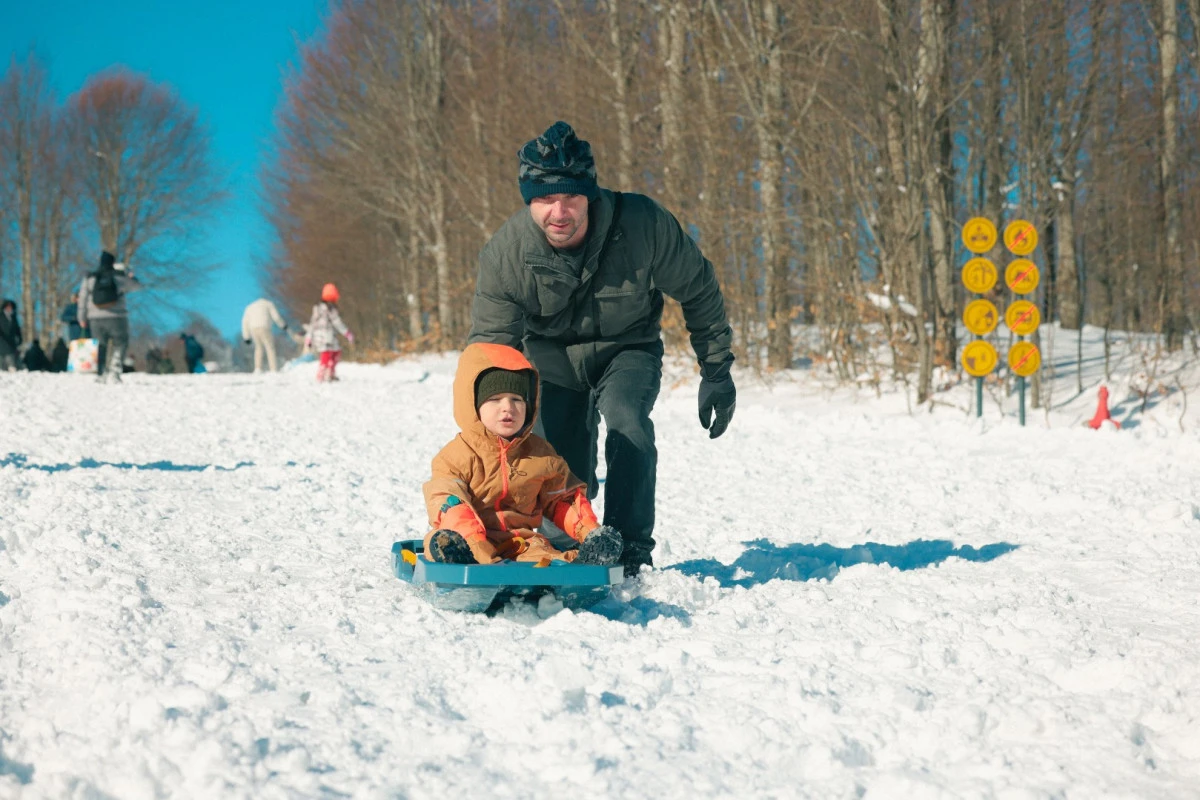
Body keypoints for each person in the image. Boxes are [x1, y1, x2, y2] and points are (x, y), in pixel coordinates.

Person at [468, 121, 737, 576]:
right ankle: (568, 542)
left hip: (626, 348)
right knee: (559, 461)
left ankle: (630, 550)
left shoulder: (642, 225)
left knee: (628, 424)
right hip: (551, 361)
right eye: (544, 199)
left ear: (589, 194)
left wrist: (716, 370)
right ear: (528, 200)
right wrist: (482, 434)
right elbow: (489, 353)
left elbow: (698, 288)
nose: (559, 211)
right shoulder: (506, 255)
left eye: (571, 197)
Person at [422, 342, 623, 566]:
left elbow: (562, 499)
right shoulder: (456, 456)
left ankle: (586, 565)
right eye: (495, 399)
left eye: (517, 399)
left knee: (548, 559)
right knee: (443, 542)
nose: (508, 408)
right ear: (473, 405)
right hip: (467, 539)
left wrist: (589, 532)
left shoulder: (540, 454)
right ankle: (454, 559)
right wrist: (473, 541)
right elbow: (448, 501)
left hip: (520, 542)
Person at [78, 251, 141, 383]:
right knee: (121, 342)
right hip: (116, 316)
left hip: (95, 318)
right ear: (113, 263)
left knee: (101, 345)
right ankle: (115, 370)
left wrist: (82, 318)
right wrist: (132, 277)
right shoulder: (118, 276)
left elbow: (82, 298)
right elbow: (136, 286)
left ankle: (101, 373)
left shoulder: (90, 277)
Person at [305, 283, 354, 382]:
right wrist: (347, 333)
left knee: (333, 352)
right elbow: (338, 323)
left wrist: (309, 337)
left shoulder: (317, 308)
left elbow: (312, 323)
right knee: (329, 355)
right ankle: (323, 375)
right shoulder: (331, 309)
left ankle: (328, 373)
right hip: (327, 337)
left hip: (319, 337)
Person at [241, 297, 289, 373]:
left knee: (258, 348)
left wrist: (246, 337)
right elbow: (276, 317)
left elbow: (245, 322)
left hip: (253, 328)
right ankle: (273, 369)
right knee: (270, 348)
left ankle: (258, 368)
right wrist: (283, 325)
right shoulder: (268, 304)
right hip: (264, 327)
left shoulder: (250, 307)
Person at [0, 299, 21, 372]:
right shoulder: (1, 316)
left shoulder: (13, 317)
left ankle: (12, 370)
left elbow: (17, 330)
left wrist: (20, 339)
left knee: (11, 358)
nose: (9, 308)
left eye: (11, 307)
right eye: (8, 307)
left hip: (11, 343)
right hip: (2, 342)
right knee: (3, 361)